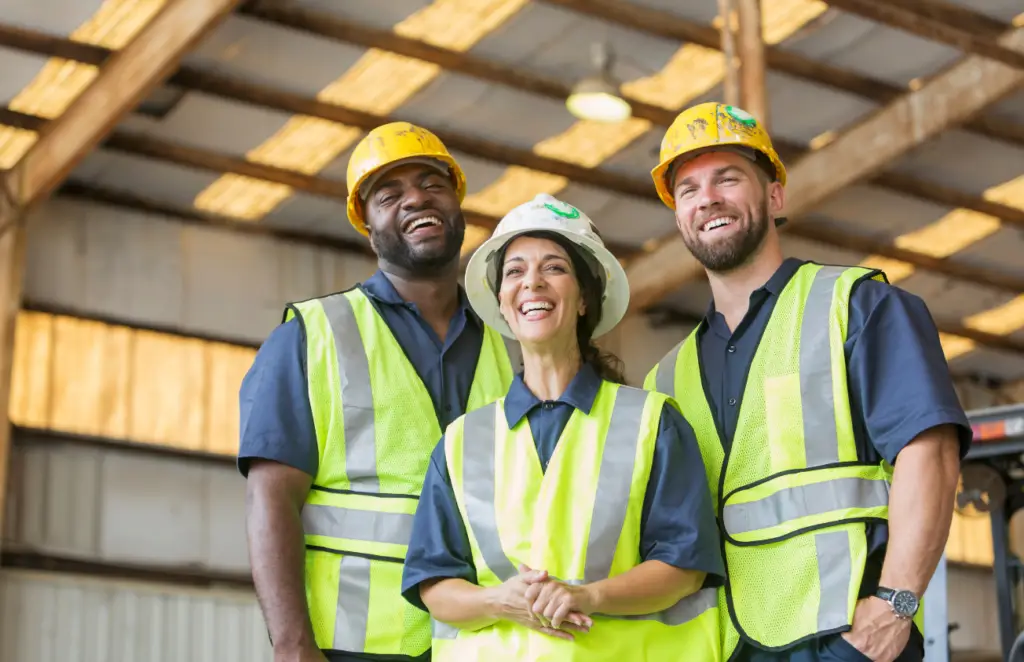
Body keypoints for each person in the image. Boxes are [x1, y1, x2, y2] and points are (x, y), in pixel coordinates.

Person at [643, 102, 971, 662]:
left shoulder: (857, 306)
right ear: (679, 218)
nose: (709, 199)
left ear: (774, 195)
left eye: (728, 178)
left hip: (845, 640)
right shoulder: (665, 378)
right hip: (727, 646)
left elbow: (930, 454)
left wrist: (896, 605)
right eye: (689, 189)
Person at [399, 192, 726, 662]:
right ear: (503, 306)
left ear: (583, 300)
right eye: (515, 271)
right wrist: (500, 601)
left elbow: (685, 567)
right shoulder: (460, 442)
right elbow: (434, 584)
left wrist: (588, 596)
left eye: (553, 267)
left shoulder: (652, 422)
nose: (532, 282)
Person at [239, 122, 522, 662]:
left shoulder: (508, 342)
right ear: (367, 227)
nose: (416, 198)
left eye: (431, 184)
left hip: (480, 641)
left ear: (458, 203)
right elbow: (271, 498)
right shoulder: (313, 334)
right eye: (389, 195)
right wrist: (293, 644)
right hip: (351, 644)